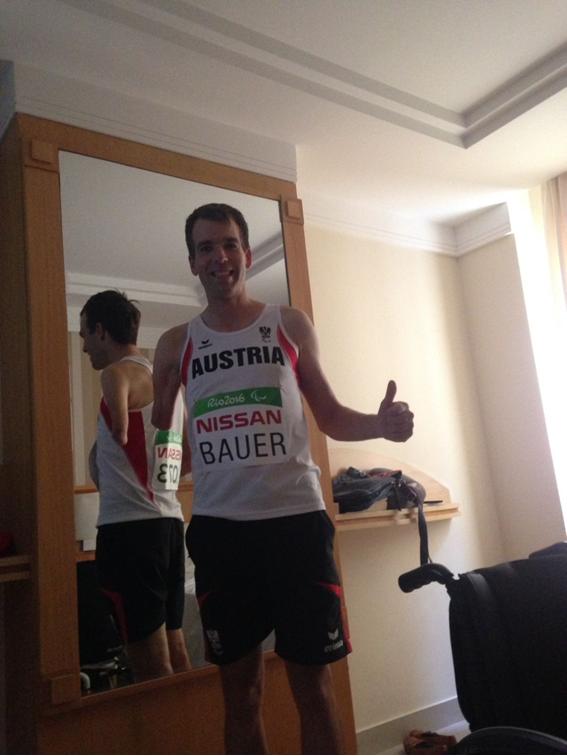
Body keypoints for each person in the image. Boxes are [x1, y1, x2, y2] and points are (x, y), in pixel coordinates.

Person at [152, 204, 414, 753]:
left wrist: (380, 425)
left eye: (229, 244)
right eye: (205, 248)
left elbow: (331, 416)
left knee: (314, 689)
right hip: (222, 533)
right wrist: (162, 444)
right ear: (193, 262)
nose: (219, 257)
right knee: (241, 695)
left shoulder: (288, 324)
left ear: (247, 254)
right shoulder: (176, 344)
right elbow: (170, 455)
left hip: (296, 525)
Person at [80, 289, 191, 682]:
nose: (84, 347)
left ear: (101, 331)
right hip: (169, 526)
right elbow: (186, 458)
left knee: (150, 667)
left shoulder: (117, 373)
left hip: (131, 532)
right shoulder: (168, 385)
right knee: (175, 653)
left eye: (85, 335)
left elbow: (118, 397)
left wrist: (120, 424)